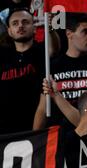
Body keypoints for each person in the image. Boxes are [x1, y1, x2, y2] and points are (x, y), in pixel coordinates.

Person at [0, 6, 58, 134]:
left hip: (33, 130)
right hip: (4, 132)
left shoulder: (43, 53)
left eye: (25, 22)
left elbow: (53, 49)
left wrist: (50, 29)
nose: (20, 26)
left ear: (34, 28)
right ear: (9, 31)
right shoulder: (3, 56)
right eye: (15, 23)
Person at [33, 12, 87, 130]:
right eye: (85, 32)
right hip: (60, 138)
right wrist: (33, 142)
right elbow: (43, 108)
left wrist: (56, 95)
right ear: (69, 34)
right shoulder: (52, 67)